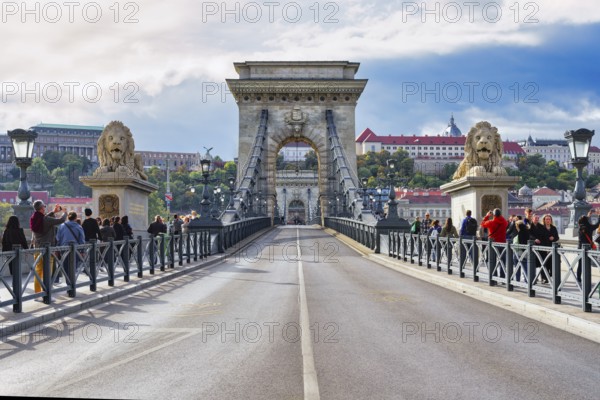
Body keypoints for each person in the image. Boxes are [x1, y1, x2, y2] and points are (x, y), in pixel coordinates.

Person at [30, 200, 67, 293]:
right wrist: (65, 212)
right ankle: (46, 292)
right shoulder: (46, 220)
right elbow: (61, 220)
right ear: (42, 208)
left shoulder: (34, 218)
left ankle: (37, 291)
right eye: (44, 206)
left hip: (37, 247)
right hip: (48, 248)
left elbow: (44, 218)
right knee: (48, 271)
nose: (45, 208)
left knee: (38, 271)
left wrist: (53, 212)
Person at [56, 211, 87, 277]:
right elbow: (82, 239)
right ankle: (72, 282)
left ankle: (68, 281)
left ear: (68, 217)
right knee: (74, 266)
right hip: (75, 249)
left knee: (65, 266)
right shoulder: (79, 226)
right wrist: (83, 250)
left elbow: (58, 238)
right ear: (76, 218)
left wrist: (58, 248)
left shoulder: (61, 226)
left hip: (64, 248)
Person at [481, 208, 509, 278]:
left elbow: (482, 224)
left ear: (493, 215)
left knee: (492, 260)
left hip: (493, 244)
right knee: (502, 261)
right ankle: (502, 277)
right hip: (502, 243)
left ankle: (494, 276)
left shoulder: (491, 222)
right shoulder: (504, 222)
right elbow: (503, 220)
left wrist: (487, 216)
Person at [577, 209, 598, 287]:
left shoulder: (581, 227)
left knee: (580, 264)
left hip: (581, 248)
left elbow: (583, 221)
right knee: (587, 264)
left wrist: (587, 217)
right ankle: (586, 279)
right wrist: (599, 217)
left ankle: (579, 278)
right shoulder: (589, 227)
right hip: (588, 248)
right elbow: (596, 225)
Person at [538, 214, 560, 283]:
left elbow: (557, 237)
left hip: (552, 248)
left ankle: (550, 276)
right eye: (546, 219)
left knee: (551, 263)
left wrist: (553, 238)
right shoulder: (541, 228)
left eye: (549, 219)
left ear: (551, 220)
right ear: (544, 220)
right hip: (543, 248)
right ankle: (544, 278)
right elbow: (539, 237)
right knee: (544, 264)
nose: (548, 220)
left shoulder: (553, 228)